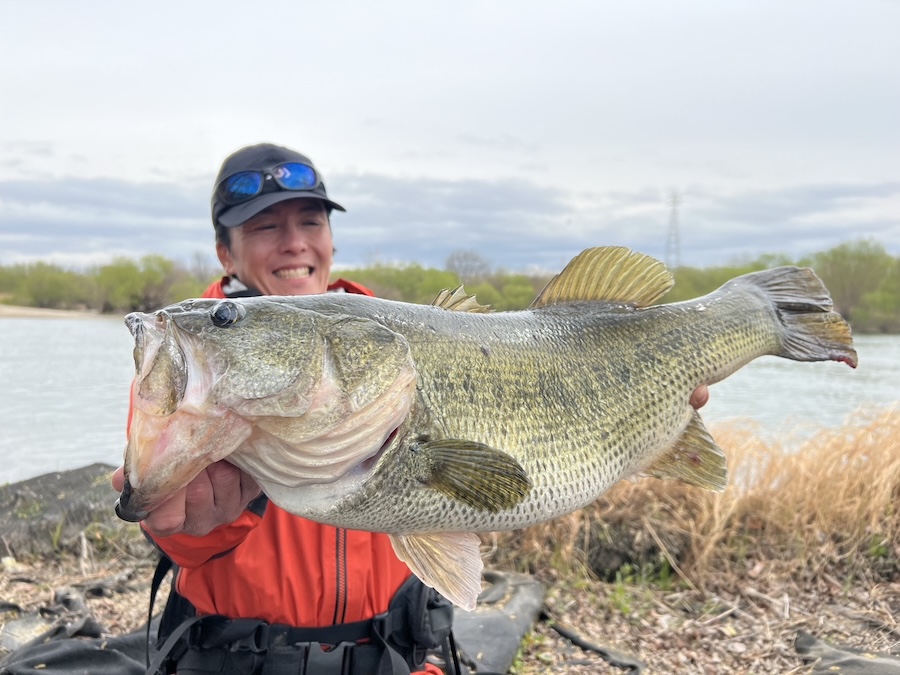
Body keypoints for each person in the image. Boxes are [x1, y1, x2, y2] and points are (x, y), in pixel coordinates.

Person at [110, 142, 710, 674]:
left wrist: (651, 413)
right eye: (265, 227)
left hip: (397, 657)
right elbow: (176, 534)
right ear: (226, 253)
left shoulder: (404, 341)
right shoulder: (192, 375)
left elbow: (500, 486)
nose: (293, 242)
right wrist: (195, 521)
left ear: (331, 239)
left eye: (310, 221)